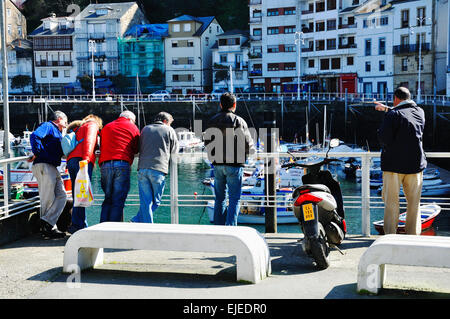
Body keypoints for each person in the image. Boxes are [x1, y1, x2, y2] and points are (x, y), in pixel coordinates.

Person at [375, 86, 427, 235]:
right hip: (415, 165)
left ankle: (390, 235)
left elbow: (384, 138)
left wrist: (388, 112)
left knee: (391, 203)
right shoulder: (420, 112)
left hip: (394, 166)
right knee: (414, 204)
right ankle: (413, 235)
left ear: (395, 99)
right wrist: (388, 109)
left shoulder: (393, 115)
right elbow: (405, 114)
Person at [204, 92, 256, 226]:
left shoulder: (212, 120)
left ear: (220, 104)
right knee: (234, 199)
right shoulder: (239, 121)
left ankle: (219, 227)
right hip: (235, 164)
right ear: (234, 105)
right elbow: (248, 144)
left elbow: (207, 142)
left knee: (220, 198)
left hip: (218, 164)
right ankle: (231, 228)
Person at [130, 112, 178, 223]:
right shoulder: (169, 130)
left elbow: (139, 146)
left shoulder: (145, 129)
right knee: (156, 201)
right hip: (158, 169)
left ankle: (142, 222)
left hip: (142, 168)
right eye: (170, 123)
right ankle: (139, 221)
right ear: (165, 121)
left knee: (146, 202)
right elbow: (175, 150)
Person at [29, 110, 68, 238]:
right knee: (48, 198)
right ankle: (48, 229)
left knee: (62, 195)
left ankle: (46, 222)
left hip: (51, 166)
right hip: (44, 165)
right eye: (65, 120)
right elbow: (35, 135)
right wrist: (38, 152)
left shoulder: (58, 132)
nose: (67, 122)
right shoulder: (49, 126)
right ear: (58, 119)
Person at [99, 111, 140, 222]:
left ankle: (102, 227)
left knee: (108, 198)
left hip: (105, 164)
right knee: (118, 199)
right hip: (122, 163)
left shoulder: (107, 126)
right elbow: (136, 148)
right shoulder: (133, 127)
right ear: (131, 119)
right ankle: (113, 228)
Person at [67, 114, 103, 233]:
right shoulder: (92, 125)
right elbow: (89, 140)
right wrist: (87, 158)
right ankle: (78, 226)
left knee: (76, 193)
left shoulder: (78, 128)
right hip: (81, 160)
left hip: (71, 160)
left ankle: (78, 224)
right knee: (81, 194)